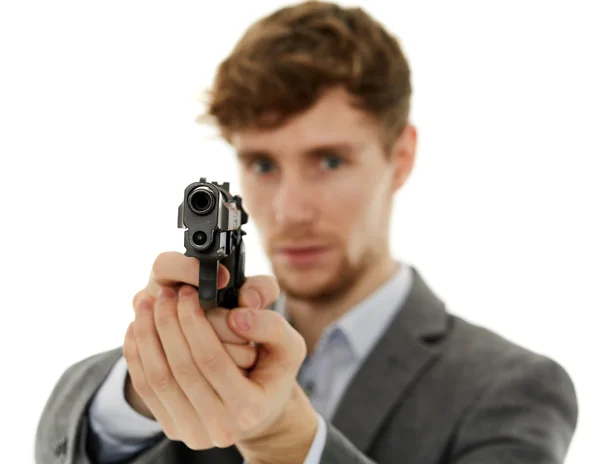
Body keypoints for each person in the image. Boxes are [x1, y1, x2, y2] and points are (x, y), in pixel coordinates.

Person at [34, 1, 579, 463]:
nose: (290, 209)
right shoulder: (214, 350)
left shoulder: (510, 388)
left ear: (402, 156)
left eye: (330, 161)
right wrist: (146, 387)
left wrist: (291, 444)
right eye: (263, 165)